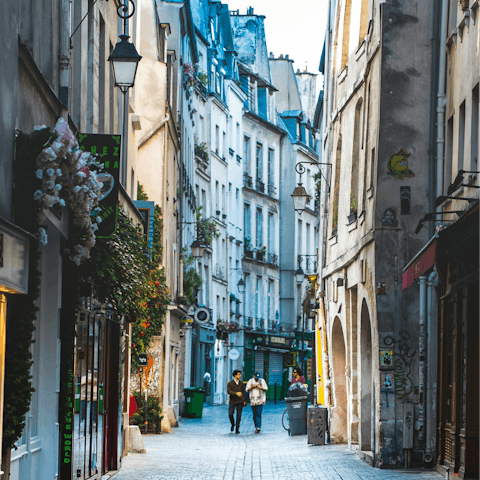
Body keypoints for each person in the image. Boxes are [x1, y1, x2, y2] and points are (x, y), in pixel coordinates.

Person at [227, 369, 246, 434]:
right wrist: (236, 393)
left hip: (240, 402)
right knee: (230, 413)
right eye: (239, 374)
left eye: (240, 374)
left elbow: (243, 392)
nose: (240, 376)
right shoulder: (230, 383)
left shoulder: (241, 383)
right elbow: (229, 391)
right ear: (235, 375)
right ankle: (233, 424)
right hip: (232, 401)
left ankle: (237, 429)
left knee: (239, 416)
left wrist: (244, 400)